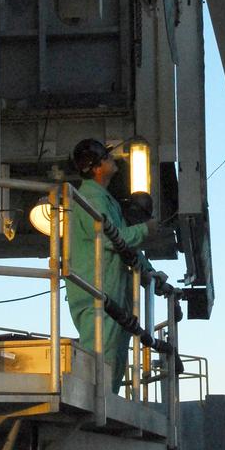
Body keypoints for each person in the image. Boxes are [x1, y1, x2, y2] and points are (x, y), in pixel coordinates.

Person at [64, 138, 157, 393]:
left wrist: (149, 272)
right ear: (96, 167)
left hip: (110, 290)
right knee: (101, 349)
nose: (112, 159)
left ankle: (105, 399)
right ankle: (94, 400)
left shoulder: (106, 200)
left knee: (113, 351)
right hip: (95, 289)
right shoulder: (89, 198)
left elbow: (122, 241)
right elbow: (109, 237)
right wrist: (145, 230)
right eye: (106, 158)